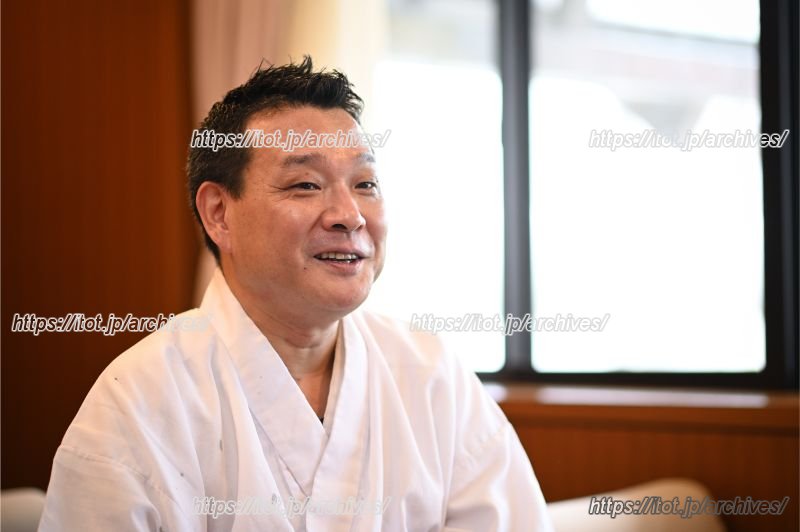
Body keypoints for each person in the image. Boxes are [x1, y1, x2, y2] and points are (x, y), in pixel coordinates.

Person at [39, 57, 554, 531]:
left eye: (365, 183)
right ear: (219, 213)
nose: (348, 215)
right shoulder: (139, 402)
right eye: (305, 185)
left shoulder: (430, 376)